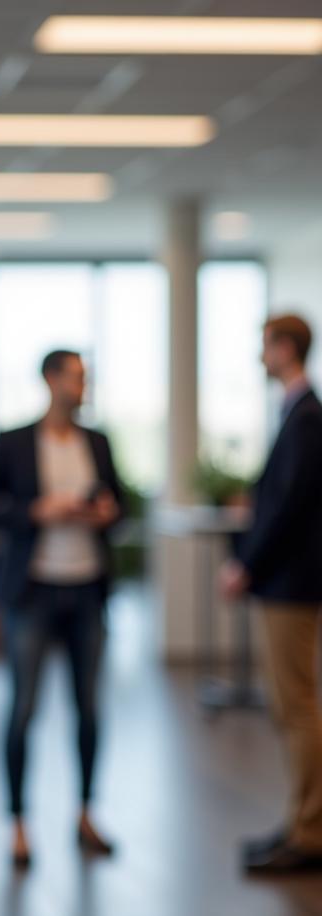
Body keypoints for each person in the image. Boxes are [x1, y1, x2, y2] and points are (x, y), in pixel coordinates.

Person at [0, 350, 124, 869]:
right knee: (24, 709)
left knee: (90, 710)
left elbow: (120, 505)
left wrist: (105, 512)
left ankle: (85, 813)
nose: (82, 386)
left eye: (86, 377)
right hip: (31, 593)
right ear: (50, 379)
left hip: (87, 591)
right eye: (75, 376)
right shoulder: (15, 442)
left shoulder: (97, 442)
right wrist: (35, 511)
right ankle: (18, 823)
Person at [219, 315, 322, 875]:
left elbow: (289, 508)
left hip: (292, 583)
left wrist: (245, 565)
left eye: (264, 346)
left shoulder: (305, 416)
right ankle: (303, 821)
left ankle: (310, 832)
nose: (260, 356)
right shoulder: (296, 412)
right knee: (291, 704)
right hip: (286, 580)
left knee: (297, 704)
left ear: (284, 348)